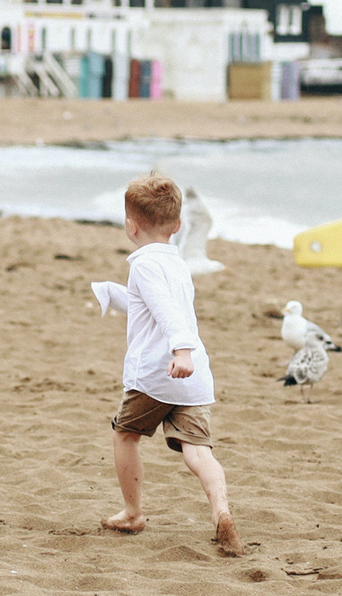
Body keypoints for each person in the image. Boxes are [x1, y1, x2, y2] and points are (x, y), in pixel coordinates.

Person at [98, 174, 239, 555]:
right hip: (193, 379)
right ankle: (222, 512)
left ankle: (132, 512)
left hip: (159, 375)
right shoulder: (178, 264)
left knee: (125, 435)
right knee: (198, 451)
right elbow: (154, 305)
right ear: (177, 226)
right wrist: (116, 295)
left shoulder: (143, 265)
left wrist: (180, 351)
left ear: (130, 226)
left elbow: (164, 312)